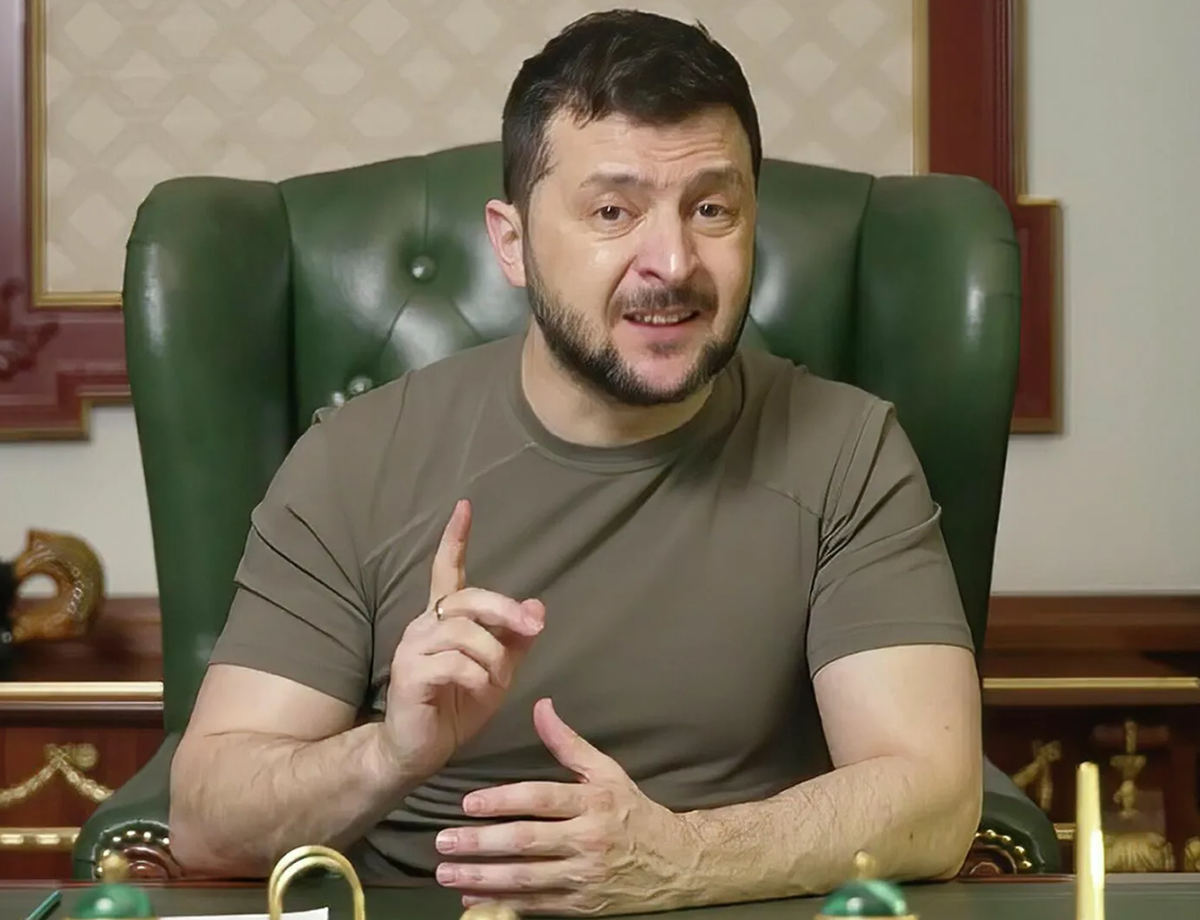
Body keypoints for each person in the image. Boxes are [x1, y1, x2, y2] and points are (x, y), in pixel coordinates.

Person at [167, 8, 982, 915]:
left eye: (712, 209)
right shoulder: (353, 460)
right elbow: (205, 821)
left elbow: (936, 800)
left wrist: (680, 859)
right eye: (612, 212)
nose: (672, 261)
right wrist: (389, 752)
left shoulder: (848, 451)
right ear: (511, 242)